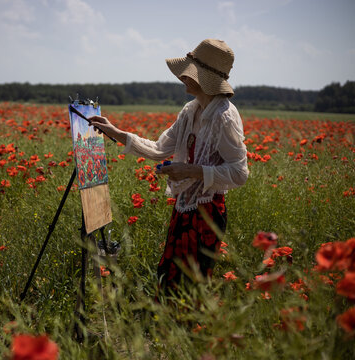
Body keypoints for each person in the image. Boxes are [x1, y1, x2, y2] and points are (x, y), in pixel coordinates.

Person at [89, 39, 249, 291]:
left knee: (191, 288)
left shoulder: (224, 116)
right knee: (169, 282)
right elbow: (159, 148)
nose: (183, 77)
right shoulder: (190, 111)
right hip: (184, 210)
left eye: (190, 72)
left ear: (205, 77)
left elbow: (240, 173)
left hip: (207, 215)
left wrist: (191, 171)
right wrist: (114, 131)